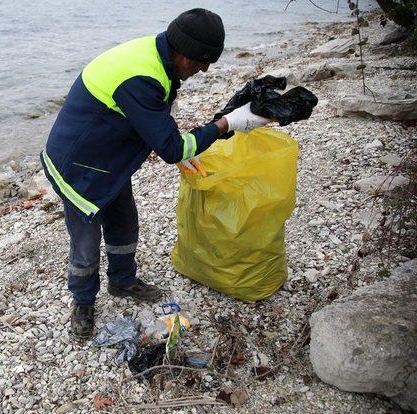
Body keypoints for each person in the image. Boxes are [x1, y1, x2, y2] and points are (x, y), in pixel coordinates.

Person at [40, 8, 271, 341]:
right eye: (200, 61)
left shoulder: (157, 59)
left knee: (124, 224)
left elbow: (154, 123)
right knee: (86, 246)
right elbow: (171, 147)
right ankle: (83, 302)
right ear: (181, 50)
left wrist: (174, 147)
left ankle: (123, 281)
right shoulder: (142, 76)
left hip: (109, 162)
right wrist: (228, 124)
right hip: (78, 166)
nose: (204, 70)